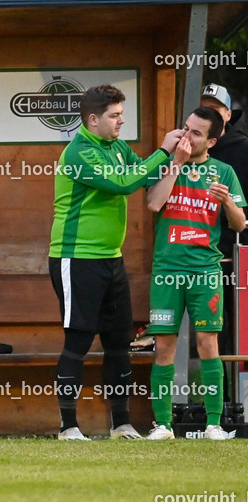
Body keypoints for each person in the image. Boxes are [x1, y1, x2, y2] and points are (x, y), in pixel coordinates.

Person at [48, 84, 181, 440]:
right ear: (93, 119)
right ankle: (68, 427)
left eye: (122, 114)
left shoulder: (117, 147)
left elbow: (144, 176)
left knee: (119, 342)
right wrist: (163, 150)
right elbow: (122, 183)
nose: (122, 121)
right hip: (76, 258)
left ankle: (121, 424)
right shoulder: (78, 152)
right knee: (77, 342)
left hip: (112, 259)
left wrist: (176, 160)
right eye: (115, 116)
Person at [144, 107, 246, 440]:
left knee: (207, 343)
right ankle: (163, 425)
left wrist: (227, 202)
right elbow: (153, 204)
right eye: (186, 128)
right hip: (167, 269)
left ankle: (214, 424)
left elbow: (240, 224)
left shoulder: (224, 172)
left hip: (205, 269)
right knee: (164, 345)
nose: (186, 136)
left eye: (196, 133)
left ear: (212, 142)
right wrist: (176, 164)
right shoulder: (165, 163)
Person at [199, 84, 248, 355]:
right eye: (204, 108)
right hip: (200, 255)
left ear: (228, 114)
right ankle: (218, 384)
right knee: (212, 333)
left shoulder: (244, 148)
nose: (210, 114)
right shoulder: (190, 149)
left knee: (241, 329)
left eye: (216, 109)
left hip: (238, 253)